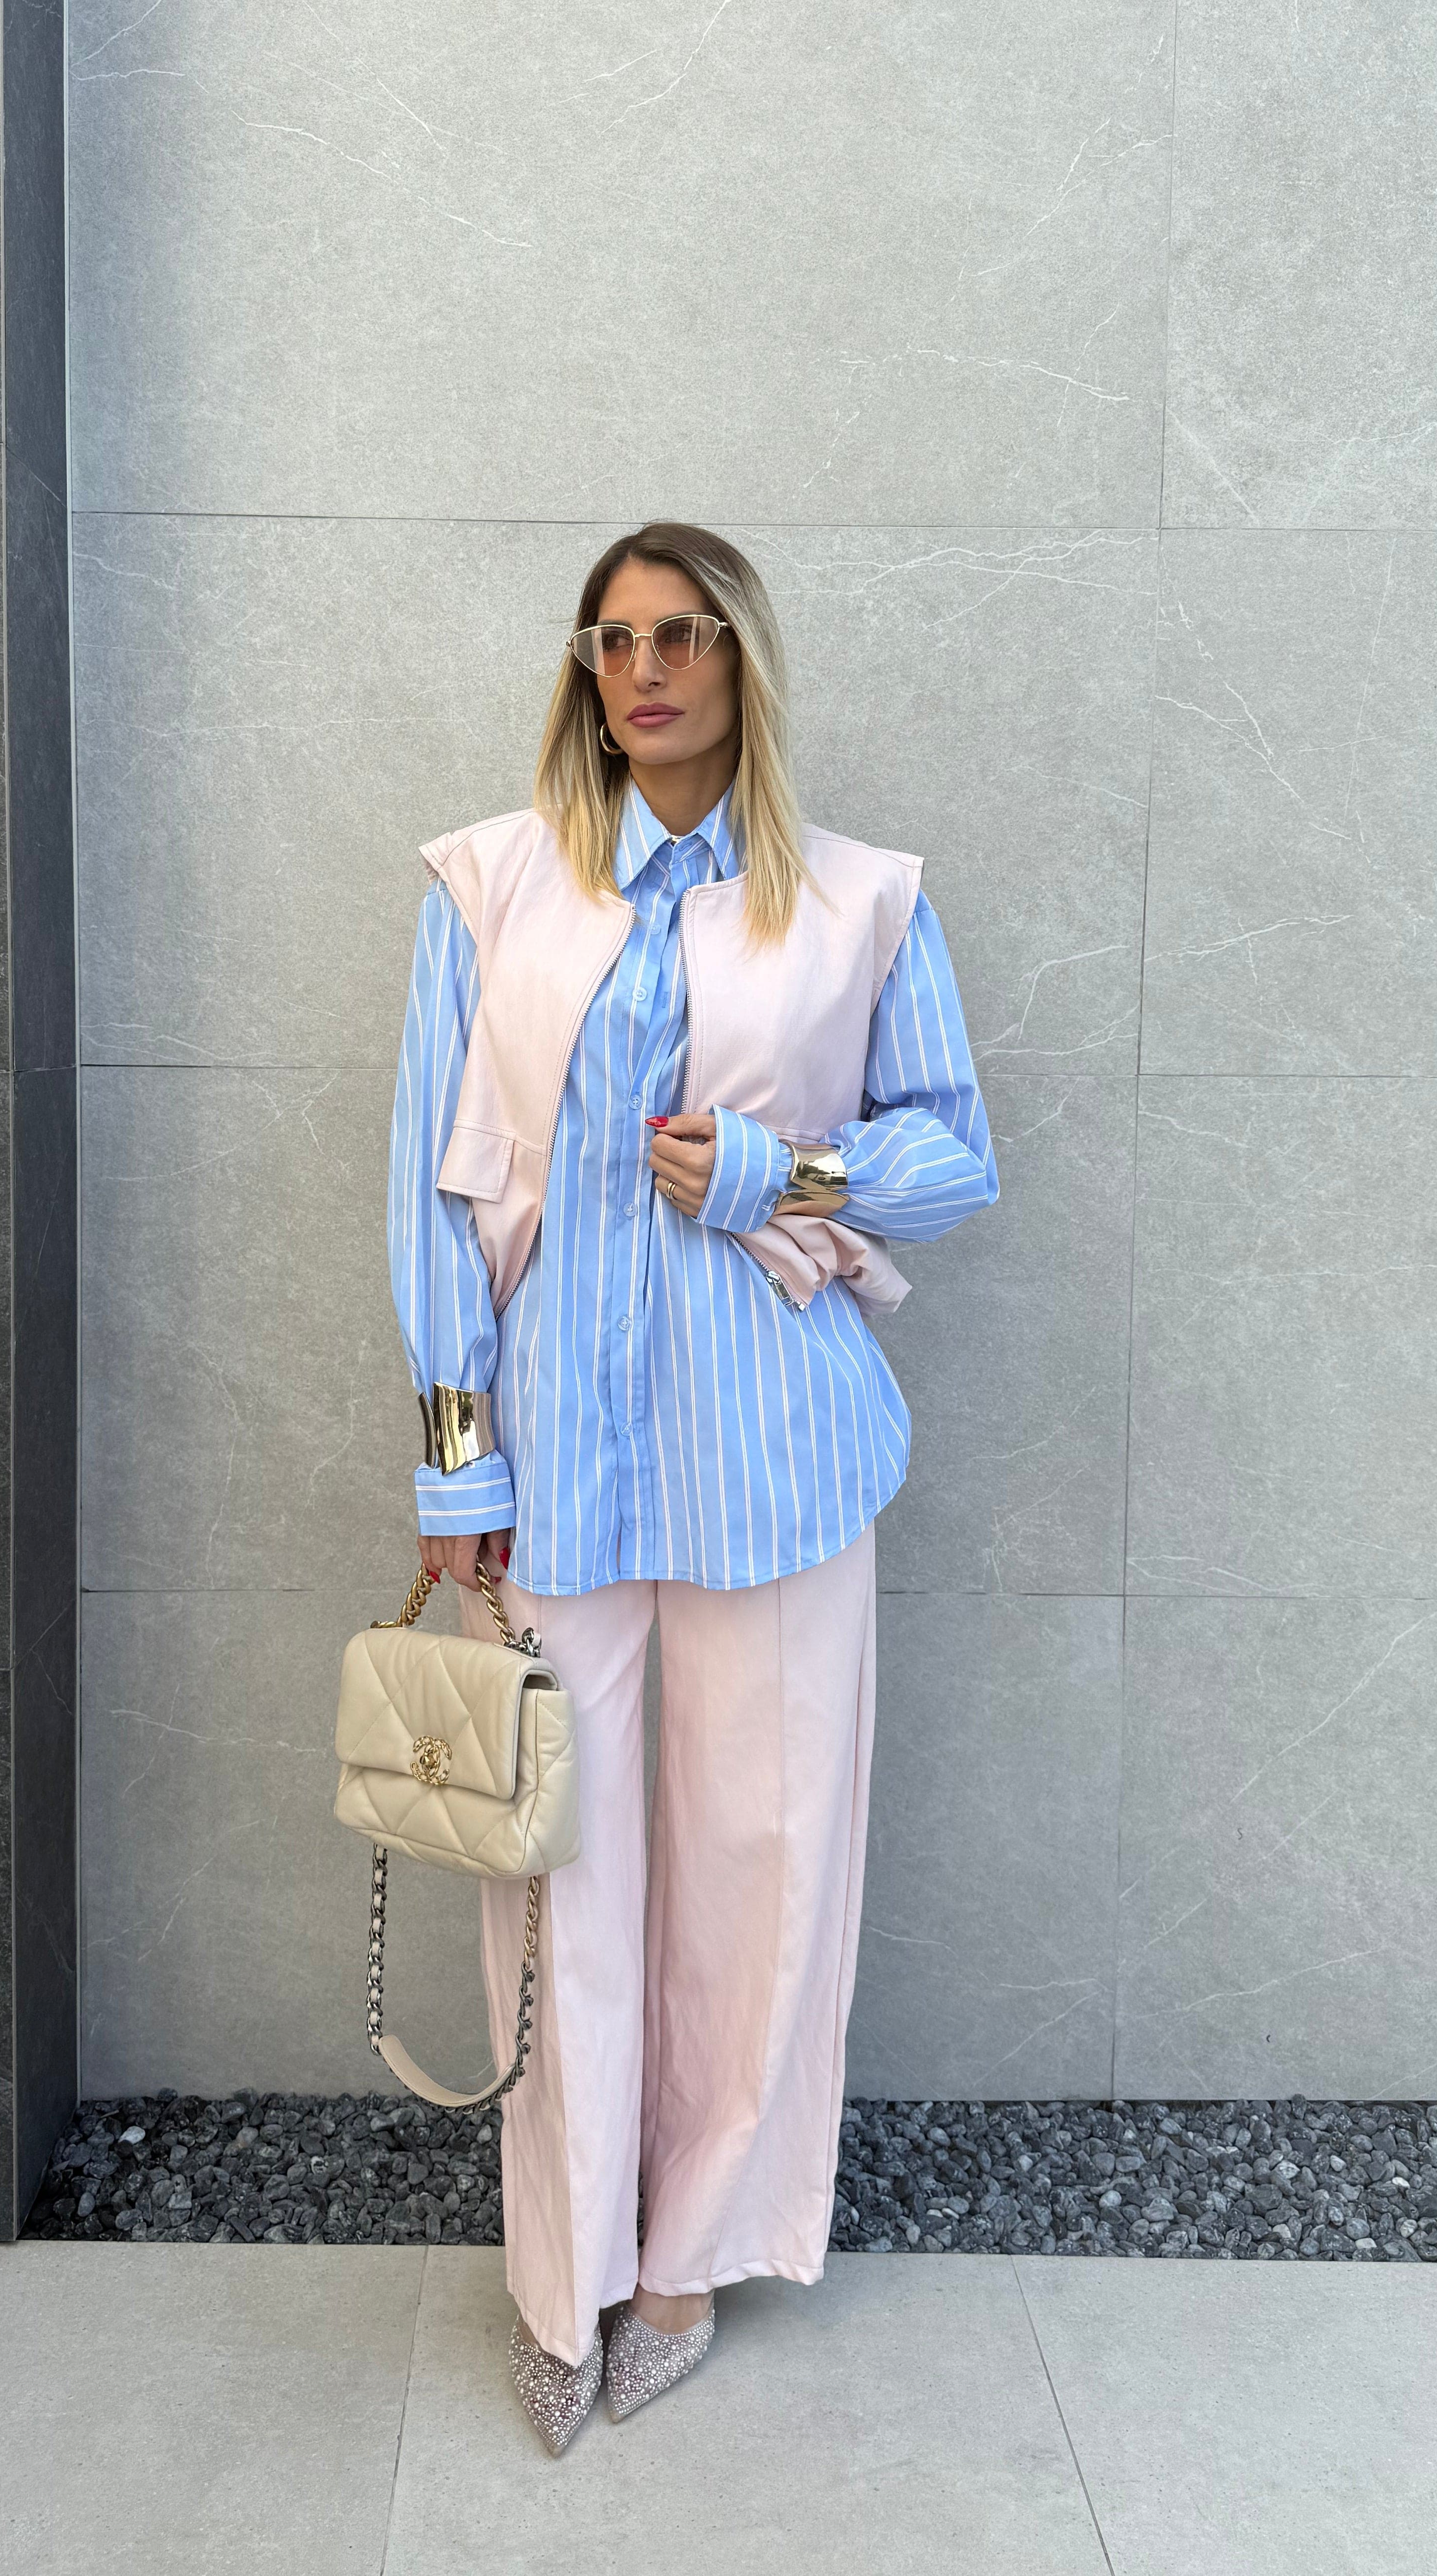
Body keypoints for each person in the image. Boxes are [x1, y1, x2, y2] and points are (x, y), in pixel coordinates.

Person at [385, 521, 998, 2455]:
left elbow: (951, 1158)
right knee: (552, 1874)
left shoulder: (858, 901)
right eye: (613, 639)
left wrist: (773, 1173)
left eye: (682, 637)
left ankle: (687, 2265)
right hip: (553, 1471)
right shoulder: (491, 889)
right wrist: (455, 1467)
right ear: (585, 672)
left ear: (741, 662)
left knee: (764, 1859)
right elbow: (429, 1193)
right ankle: (560, 2276)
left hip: (779, 1462)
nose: (644, 671)